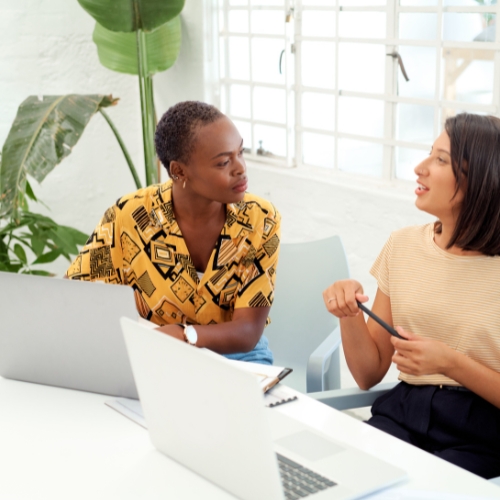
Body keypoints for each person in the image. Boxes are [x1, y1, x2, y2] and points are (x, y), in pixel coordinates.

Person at [323, 113, 500, 479]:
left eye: (440, 160)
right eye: (428, 154)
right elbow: (369, 373)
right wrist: (350, 314)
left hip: (482, 432)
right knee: (341, 480)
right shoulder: (402, 245)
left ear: (481, 178)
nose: (419, 168)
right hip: (402, 412)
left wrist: (450, 363)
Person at [67, 101, 280, 365]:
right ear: (179, 171)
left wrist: (183, 335)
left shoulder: (260, 218)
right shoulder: (130, 215)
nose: (240, 168)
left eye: (240, 152)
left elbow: (247, 333)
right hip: (157, 352)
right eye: (224, 162)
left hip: (239, 358)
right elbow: (77, 296)